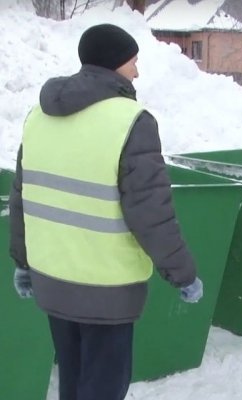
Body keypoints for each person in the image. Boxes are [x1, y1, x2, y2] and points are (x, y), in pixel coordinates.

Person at [9, 24, 203, 400]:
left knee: (74, 378)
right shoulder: (130, 121)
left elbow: (22, 196)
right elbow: (151, 212)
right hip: (106, 289)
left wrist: (23, 260)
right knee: (103, 388)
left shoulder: (39, 116)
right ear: (115, 64)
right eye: (133, 62)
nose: (137, 72)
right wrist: (183, 275)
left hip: (53, 278)